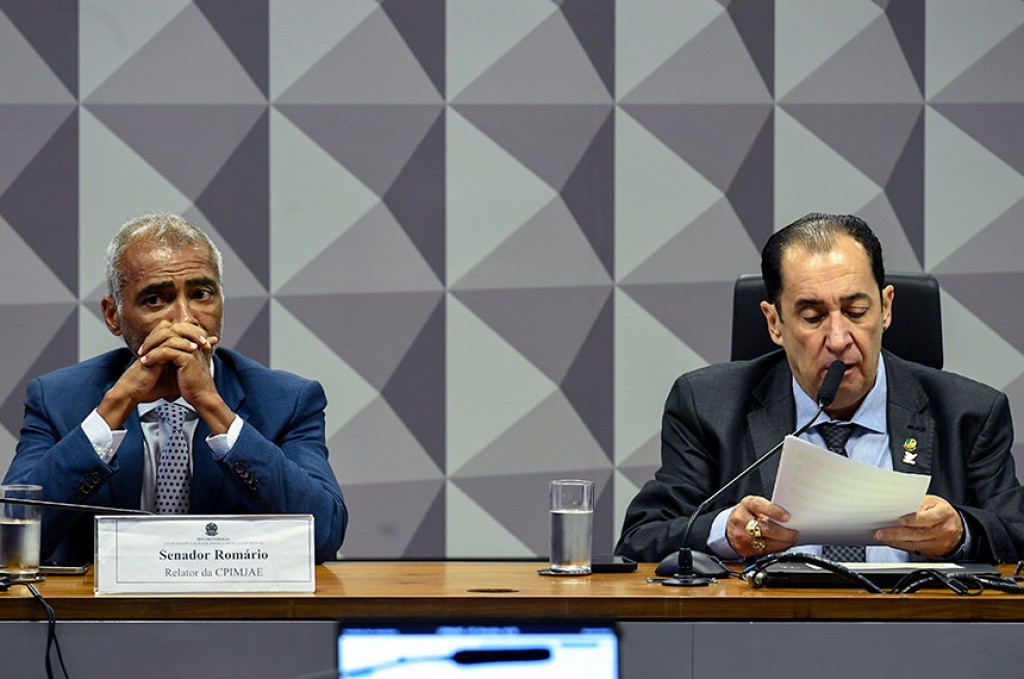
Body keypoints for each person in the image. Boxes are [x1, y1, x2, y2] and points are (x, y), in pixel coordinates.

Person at [616, 213, 1024, 564]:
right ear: (775, 323)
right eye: (812, 317)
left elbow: (1016, 530)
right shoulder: (708, 406)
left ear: (886, 308)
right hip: (769, 627)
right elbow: (640, 540)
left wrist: (962, 532)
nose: (839, 339)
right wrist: (726, 530)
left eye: (856, 311)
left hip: (916, 625)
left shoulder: (968, 413)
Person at [3, 213, 347, 564]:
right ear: (113, 315)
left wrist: (213, 407)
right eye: (155, 299)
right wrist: (112, 411)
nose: (184, 318)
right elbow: (9, 542)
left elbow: (323, 536)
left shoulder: (287, 401)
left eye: (201, 294)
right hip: (101, 601)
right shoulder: (58, 399)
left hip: (234, 600)